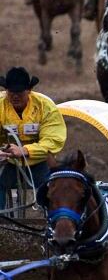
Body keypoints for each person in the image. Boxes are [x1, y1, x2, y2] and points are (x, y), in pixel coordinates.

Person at [0, 67, 66, 210]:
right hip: (9, 160)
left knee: (52, 188)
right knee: (1, 184)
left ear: (29, 90)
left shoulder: (45, 106)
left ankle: (51, 221)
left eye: (20, 92)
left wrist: (24, 150)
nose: (15, 96)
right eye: (11, 92)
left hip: (40, 160)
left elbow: (53, 141)